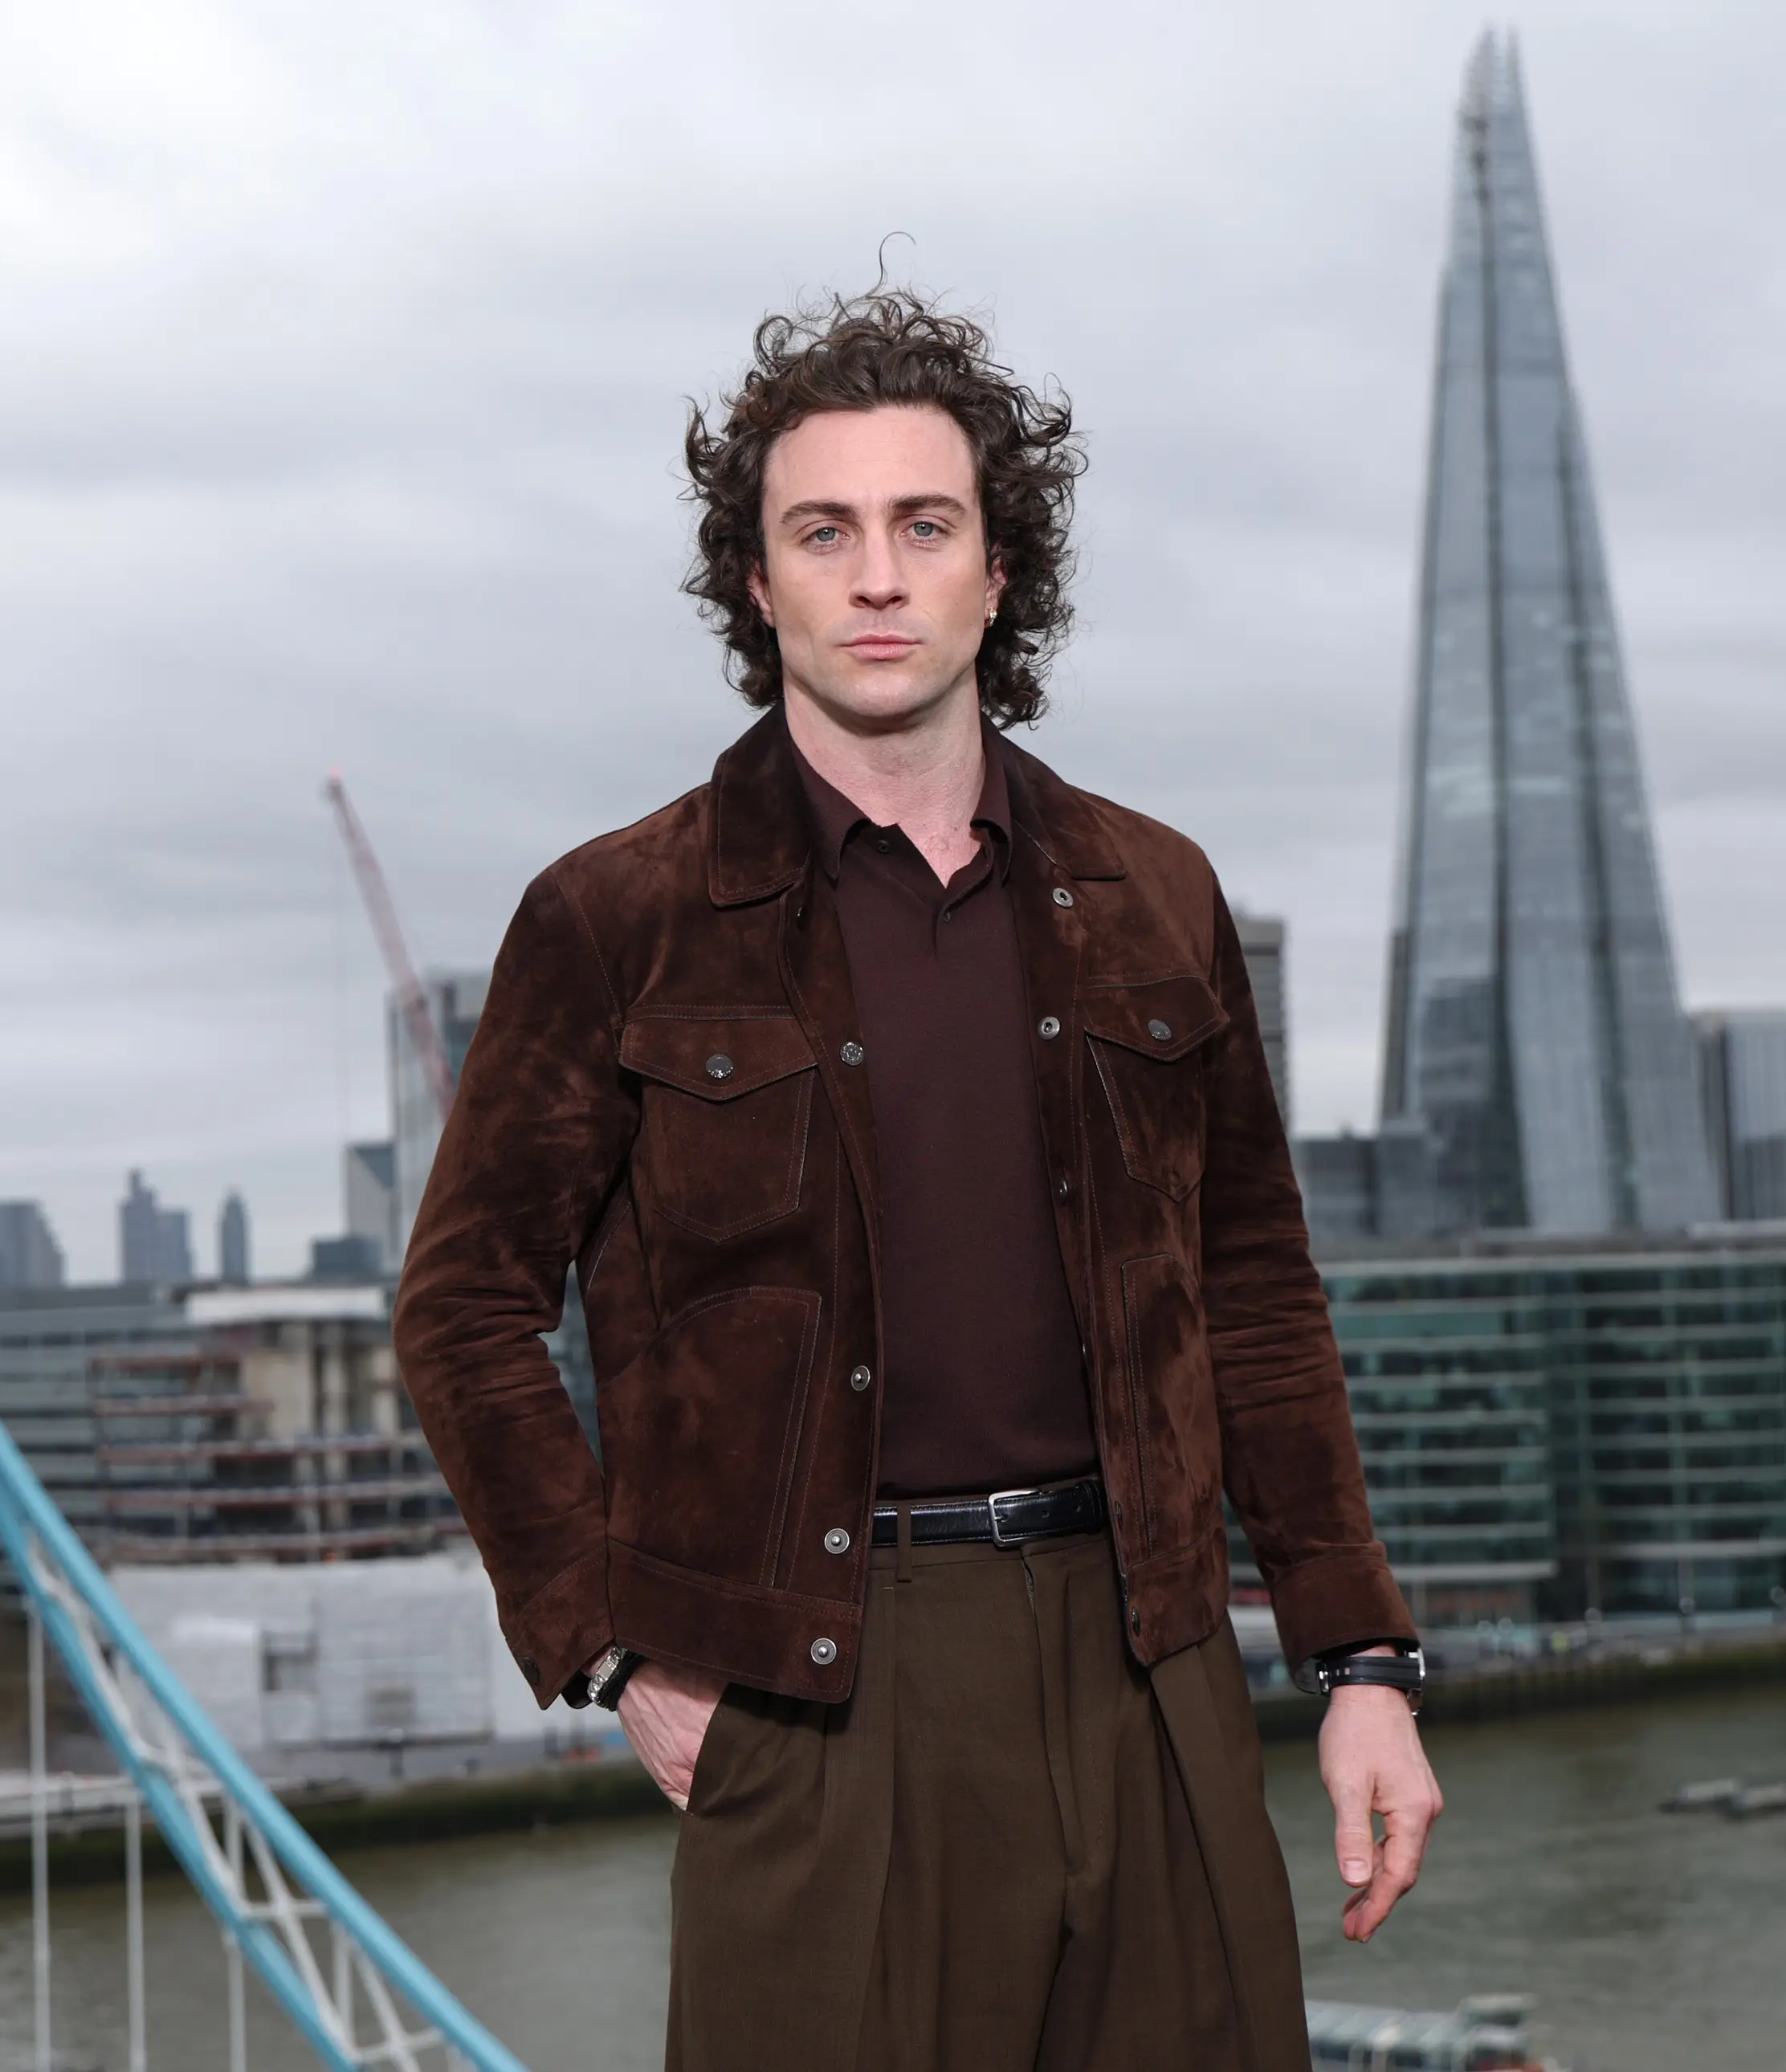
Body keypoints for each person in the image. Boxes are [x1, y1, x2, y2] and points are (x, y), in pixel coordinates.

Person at [395, 289, 1440, 2072]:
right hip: (817, 1692)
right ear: (759, 585)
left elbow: (1256, 1298)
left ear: (996, 572)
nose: (876, 575)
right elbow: (466, 1310)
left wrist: (1359, 1663)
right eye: (824, 531)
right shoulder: (615, 917)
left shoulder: (1159, 893)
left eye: (923, 525)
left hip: (1151, 1660)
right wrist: (607, 1653)